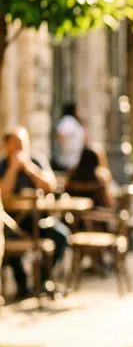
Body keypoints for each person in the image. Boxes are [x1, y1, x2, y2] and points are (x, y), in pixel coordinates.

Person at [0, 127, 70, 299]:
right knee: (11, 245)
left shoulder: (36, 161)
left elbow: (51, 185)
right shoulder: (2, 165)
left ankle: (43, 278)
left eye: (23, 144)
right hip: (11, 221)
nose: (20, 148)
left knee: (61, 235)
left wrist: (30, 169)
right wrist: (13, 169)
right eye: (15, 144)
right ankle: (22, 285)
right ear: (6, 146)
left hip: (38, 219)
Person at [65, 144, 116, 209]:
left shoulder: (72, 174)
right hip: (97, 214)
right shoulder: (101, 175)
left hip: (74, 213)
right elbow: (109, 201)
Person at [53, 103, 86, 171]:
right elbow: (62, 134)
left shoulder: (74, 121)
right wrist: (65, 148)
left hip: (75, 157)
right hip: (68, 159)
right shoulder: (67, 120)